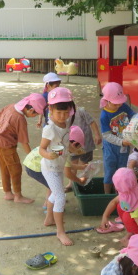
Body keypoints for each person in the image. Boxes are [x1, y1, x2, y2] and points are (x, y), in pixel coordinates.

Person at [0, 92, 46, 204]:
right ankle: (18, 196)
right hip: (7, 146)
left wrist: (1, 130)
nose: (34, 117)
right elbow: (24, 142)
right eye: (35, 115)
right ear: (30, 110)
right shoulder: (20, 119)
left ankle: (7, 192)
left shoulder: (11, 106)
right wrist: (33, 157)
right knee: (15, 169)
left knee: (4, 168)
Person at [39, 87, 77, 246]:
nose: (62, 116)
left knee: (56, 193)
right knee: (61, 196)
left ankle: (49, 219)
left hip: (58, 165)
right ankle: (60, 232)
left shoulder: (66, 123)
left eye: (65, 112)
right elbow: (42, 149)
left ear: (70, 110)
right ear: (51, 110)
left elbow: (62, 145)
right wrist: (48, 154)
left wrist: (72, 149)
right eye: (58, 113)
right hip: (50, 167)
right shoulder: (49, 129)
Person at [24, 125, 89, 208]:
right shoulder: (62, 150)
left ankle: (52, 202)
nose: (78, 151)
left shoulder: (60, 145)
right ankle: (48, 206)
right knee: (53, 185)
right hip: (34, 167)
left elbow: (67, 165)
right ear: (74, 144)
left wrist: (81, 167)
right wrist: (79, 180)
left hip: (31, 162)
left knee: (53, 184)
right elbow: (68, 173)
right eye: (79, 148)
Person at [100, 82, 134, 193]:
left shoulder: (123, 106)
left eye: (120, 103)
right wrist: (121, 142)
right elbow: (106, 135)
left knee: (121, 170)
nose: (118, 105)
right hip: (111, 148)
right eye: (115, 104)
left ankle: (118, 193)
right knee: (109, 170)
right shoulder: (104, 115)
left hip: (124, 146)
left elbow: (133, 115)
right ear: (107, 101)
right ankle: (106, 195)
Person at [66, 106, 102, 192]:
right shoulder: (62, 115)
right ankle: (71, 183)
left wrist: (97, 134)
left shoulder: (81, 111)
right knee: (72, 165)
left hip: (86, 145)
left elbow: (92, 122)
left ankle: (82, 182)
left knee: (84, 165)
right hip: (72, 146)